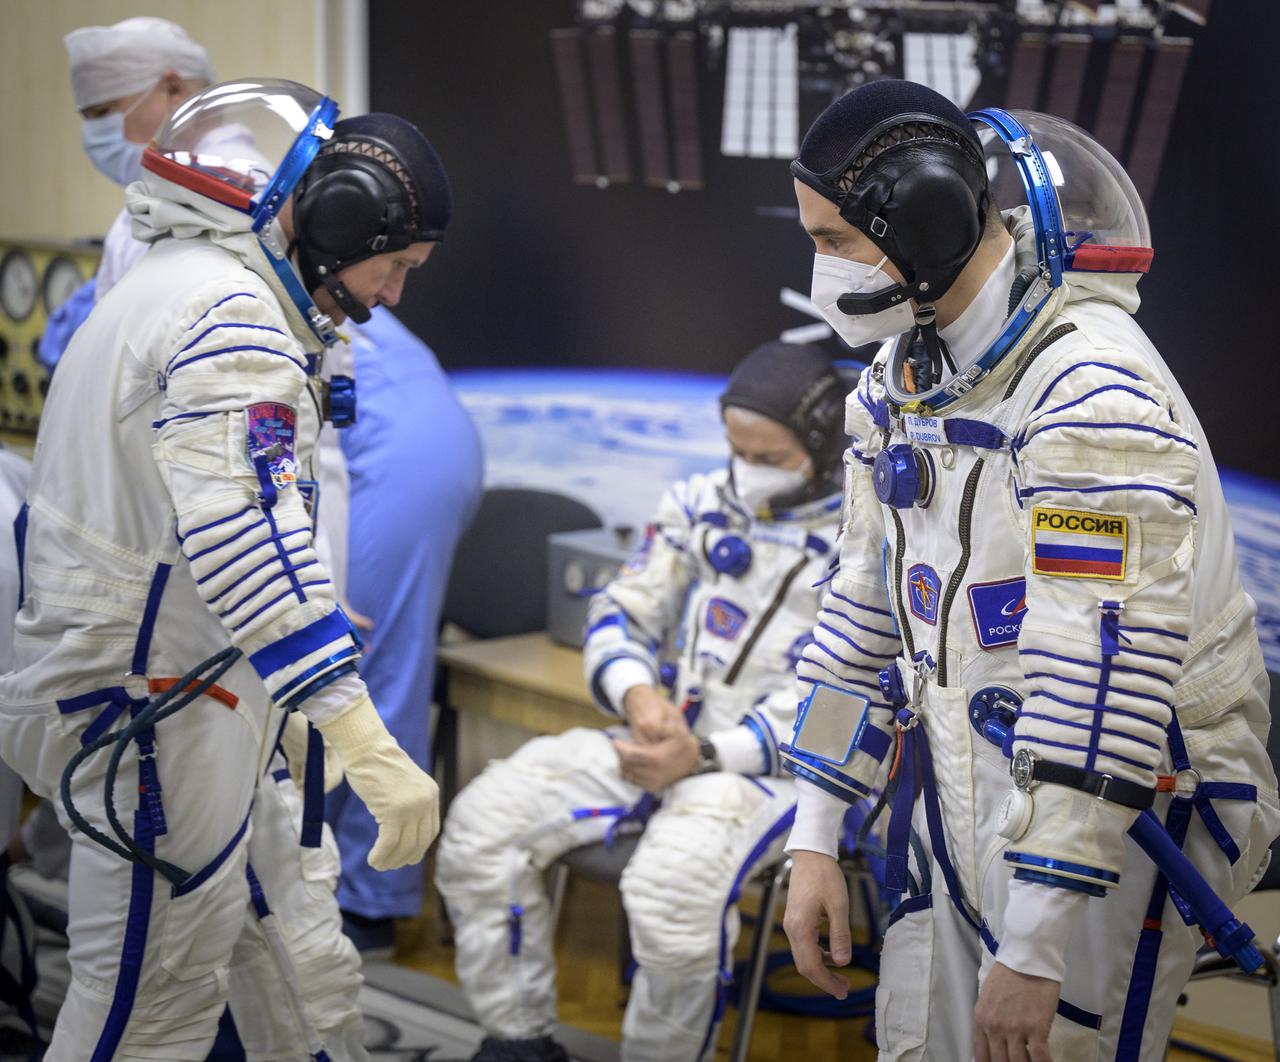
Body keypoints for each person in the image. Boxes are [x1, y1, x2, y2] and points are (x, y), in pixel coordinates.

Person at [777, 79, 1280, 1061]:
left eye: (834, 240)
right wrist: (813, 828)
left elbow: (1100, 688)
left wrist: (1036, 942)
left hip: (1125, 813)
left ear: (920, 223)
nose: (817, 272)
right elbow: (859, 621)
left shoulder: (1089, 398)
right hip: (965, 783)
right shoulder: (897, 384)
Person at [0, 79, 445, 1059]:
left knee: (290, 958)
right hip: (153, 716)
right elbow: (249, 544)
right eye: (396, 264)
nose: (391, 295)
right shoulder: (230, 320)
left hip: (190, 693)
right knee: (147, 1010)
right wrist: (360, 738)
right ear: (336, 220)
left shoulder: (179, 287)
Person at [436, 340, 851, 1062]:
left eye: (771, 459)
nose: (746, 471)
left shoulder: (864, 543)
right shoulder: (697, 505)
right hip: (663, 740)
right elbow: (618, 612)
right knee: (483, 825)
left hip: (780, 771)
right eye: (735, 450)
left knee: (671, 892)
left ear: (822, 450)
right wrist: (637, 695)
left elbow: (850, 699)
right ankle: (519, 1039)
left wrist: (713, 754)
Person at [326, 299, 484, 952]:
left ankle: (367, 900)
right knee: (367, 663)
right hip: (413, 440)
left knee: (361, 668)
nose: (392, 287)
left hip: (395, 459)